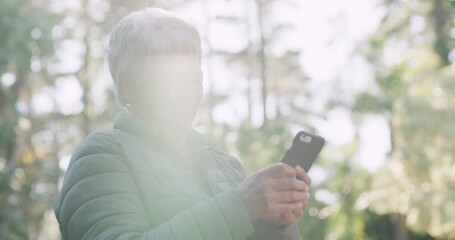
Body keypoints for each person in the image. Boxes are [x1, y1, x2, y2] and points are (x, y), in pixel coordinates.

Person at [54, 7, 311, 240]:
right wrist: (239, 207)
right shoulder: (100, 157)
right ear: (128, 86)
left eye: (194, 80)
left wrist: (274, 225)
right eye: (172, 79)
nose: (190, 93)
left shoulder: (225, 165)